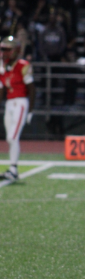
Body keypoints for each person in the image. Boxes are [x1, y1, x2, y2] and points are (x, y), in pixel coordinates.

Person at [0, 35, 34, 182]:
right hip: (9, 103)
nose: (5, 52)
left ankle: (13, 169)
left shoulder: (22, 64)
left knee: (12, 137)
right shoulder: (3, 66)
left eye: (8, 49)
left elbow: (32, 89)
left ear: (16, 50)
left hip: (20, 102)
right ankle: (13, 169)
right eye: (3, 49)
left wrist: (31, 110)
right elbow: (2, 90)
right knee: (10, 138)